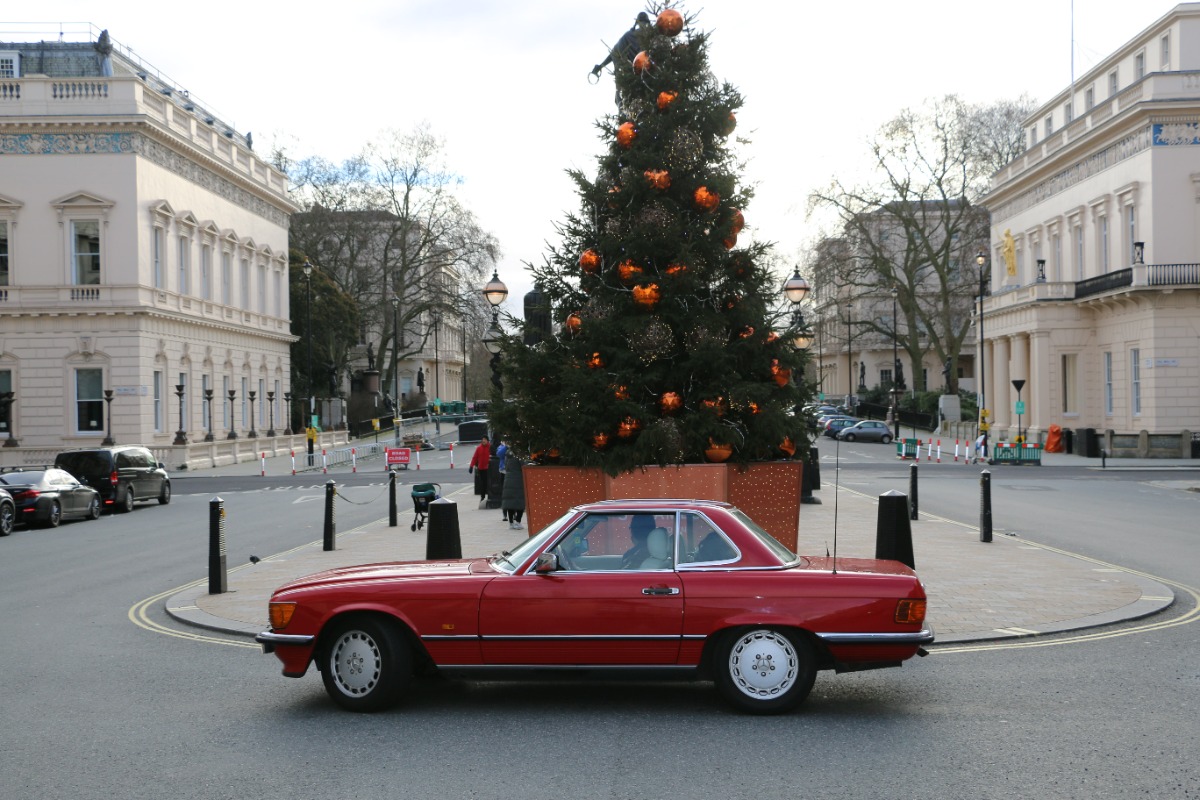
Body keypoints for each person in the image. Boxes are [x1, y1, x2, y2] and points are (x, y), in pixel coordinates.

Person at [591, 12, 650, 79]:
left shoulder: (628, 35)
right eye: (644, 23)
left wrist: (600, 66)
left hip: (632, 75)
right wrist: (601, 66)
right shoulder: (630, 36)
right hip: (635, 74)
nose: (644, 26)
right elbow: (614, 53)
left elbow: (613, 53)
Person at [501, 457, 526, 530]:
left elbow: (505, 466)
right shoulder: (520, 455)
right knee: (520, 501)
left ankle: (511, 523)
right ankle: (518, 521)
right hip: (518, 480)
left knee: (510, 502)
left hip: (508, 479)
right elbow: (524, 466)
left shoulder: (508, 455)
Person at [468, 435, 490, 507]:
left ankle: (489, 496)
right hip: (481, 468)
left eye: (485, 439)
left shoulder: (490, 447)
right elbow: (475, 458)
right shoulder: (479, 448)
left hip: (488, 468)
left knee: (488, 483)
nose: (483, 441)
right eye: (482, 439)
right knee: (483, 483)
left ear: (487, 441)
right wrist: (471, 466)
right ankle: (482, 497)